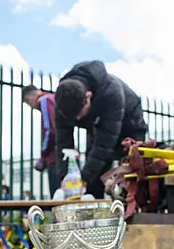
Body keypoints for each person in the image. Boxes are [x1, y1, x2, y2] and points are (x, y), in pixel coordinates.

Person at [54, 61, 147, 199]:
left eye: (79, 114)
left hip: (130, 126)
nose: (77, 119)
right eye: (73, 118)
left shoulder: (111, 92)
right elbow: (63, 143)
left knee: (131, 178)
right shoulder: (62, 102)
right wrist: (65, 178)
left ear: (88, 96)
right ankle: (93, 215)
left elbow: (105, 142)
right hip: (97, 128)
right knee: (93, 181)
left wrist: (84, 178)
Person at [22, 85, 59, 197]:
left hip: (55, 158)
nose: (32, 107)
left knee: (57, 198)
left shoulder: (44, 100)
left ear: (30, 97)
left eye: (28, 102)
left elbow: (50, 131)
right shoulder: (53, 98)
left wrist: (43, 155)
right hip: (65, 154)